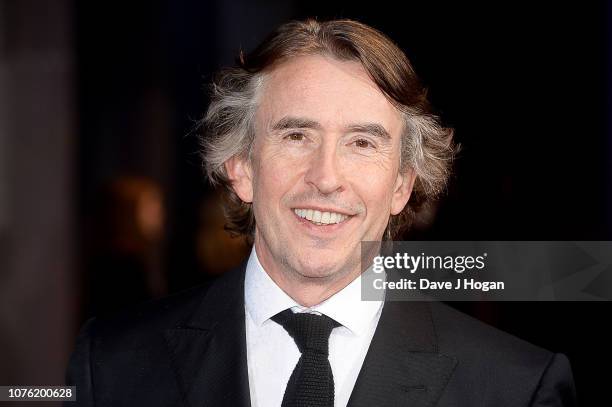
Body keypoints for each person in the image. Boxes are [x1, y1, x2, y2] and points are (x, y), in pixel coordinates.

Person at [66, 19, 576, 406]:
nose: (326, 177)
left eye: (361, 142)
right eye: (296, 136)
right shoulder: (111, 365)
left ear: (402, 185)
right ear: (241, 166)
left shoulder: (515, 386)